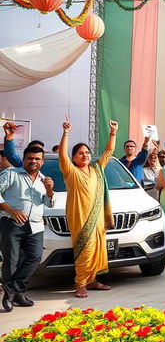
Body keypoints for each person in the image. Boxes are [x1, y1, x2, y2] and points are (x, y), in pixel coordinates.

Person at [58, 115, 117, 298]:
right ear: (74, 158)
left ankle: (91, 281)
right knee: (86, 250)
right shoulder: (71, 172)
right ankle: (80, 284)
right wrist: (66, 133)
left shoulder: (96, 169)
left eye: (87, 152)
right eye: (80, 153)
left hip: (97, 218)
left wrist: (113, 132)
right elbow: (62, 155)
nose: (85, 155)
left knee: (97, 249)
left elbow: (108, 152)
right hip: (81, 218)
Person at [0, 145, 55, 311]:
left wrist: (50, 191)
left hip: (35, 225)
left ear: (42, 162)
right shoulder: (11, 174)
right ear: (24, 159)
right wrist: (11, 209)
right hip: (11, 223)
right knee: (11, 262)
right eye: (30, 158)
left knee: (35, 257)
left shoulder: (44, 180)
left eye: (37, 159)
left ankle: (11, 289)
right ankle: (17, 295)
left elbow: (49, 204)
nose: (34, 161)